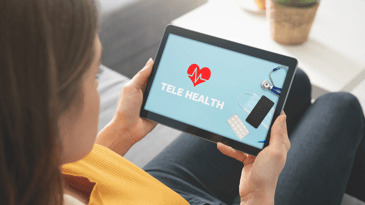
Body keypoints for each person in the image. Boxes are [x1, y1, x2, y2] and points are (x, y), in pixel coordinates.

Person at [1, 0, 364, 204]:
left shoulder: (25, 170)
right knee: (342, 107)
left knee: (292, 83)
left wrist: (121, 133)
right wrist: (258, 193)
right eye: (95, 75)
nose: (99, 88)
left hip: (145, 187)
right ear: (44, 112)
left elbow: (74, 178)